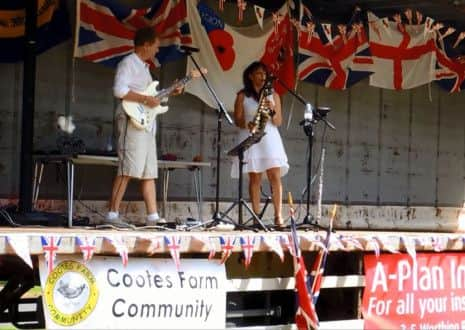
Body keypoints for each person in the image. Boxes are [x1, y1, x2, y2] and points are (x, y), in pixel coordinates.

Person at [106, 27, 183, 225]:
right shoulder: (128, 63)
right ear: (146, 45)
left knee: (149, 171)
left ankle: (153, 217)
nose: (157, 51)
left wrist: (171, 91)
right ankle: (112, 214)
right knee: (127, 169)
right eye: (156, 46)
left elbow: (151, 97)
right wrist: (145, 99)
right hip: (131, 120)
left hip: (146, 125)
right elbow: (119, 90)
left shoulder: (144, 68)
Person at [231, 61, 289, 228]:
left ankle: (278, 216)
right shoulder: (242, 95)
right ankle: (256, 216)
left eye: (264, 73)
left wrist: (272, 110)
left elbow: (278, 121)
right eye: (258, 73)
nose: (262, 76)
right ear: (250, 76)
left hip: (269, 138)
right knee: (254, 176)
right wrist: (247, 123)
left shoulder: (273, 95)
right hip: (251, 136)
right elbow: (238, 120)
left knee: (274, 176)